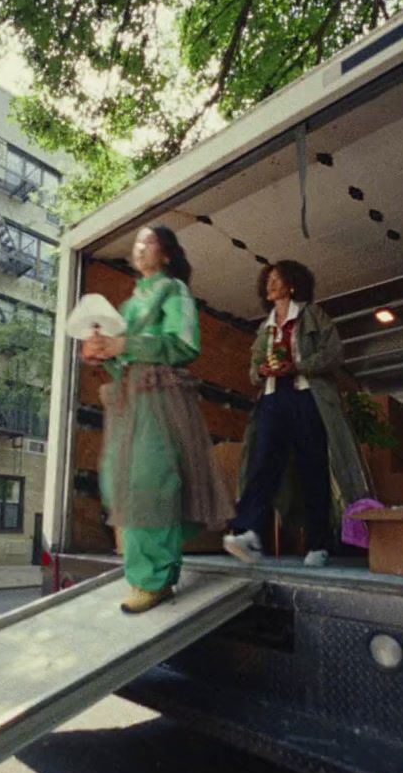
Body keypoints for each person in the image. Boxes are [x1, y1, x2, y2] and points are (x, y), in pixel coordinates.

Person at [83, 225, 234, 613]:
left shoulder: (174, 290)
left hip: (161, 397)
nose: (138, 247)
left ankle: (155, 578)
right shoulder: (132, 301)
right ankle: (145, 571)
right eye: (136, 242)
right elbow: (125, 357)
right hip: (129, 400)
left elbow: (184, 344)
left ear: (167, 254)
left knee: (150, 481)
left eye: (148, 241)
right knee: (119, 481)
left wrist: (124, 344)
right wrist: (106, 354)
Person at [224, 260, 370, 567]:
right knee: (262, 462)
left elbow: (333, 353)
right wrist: (260, 371)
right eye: (269, 280)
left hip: (307, 396)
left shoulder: (312, 315)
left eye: (278, 279)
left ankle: (319, 543)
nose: (271, 284)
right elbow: (253, 369)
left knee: (312, 466)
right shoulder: (264, 327)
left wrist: (299, 367)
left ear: (292, 284)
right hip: (274, 397)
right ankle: (247, 530)